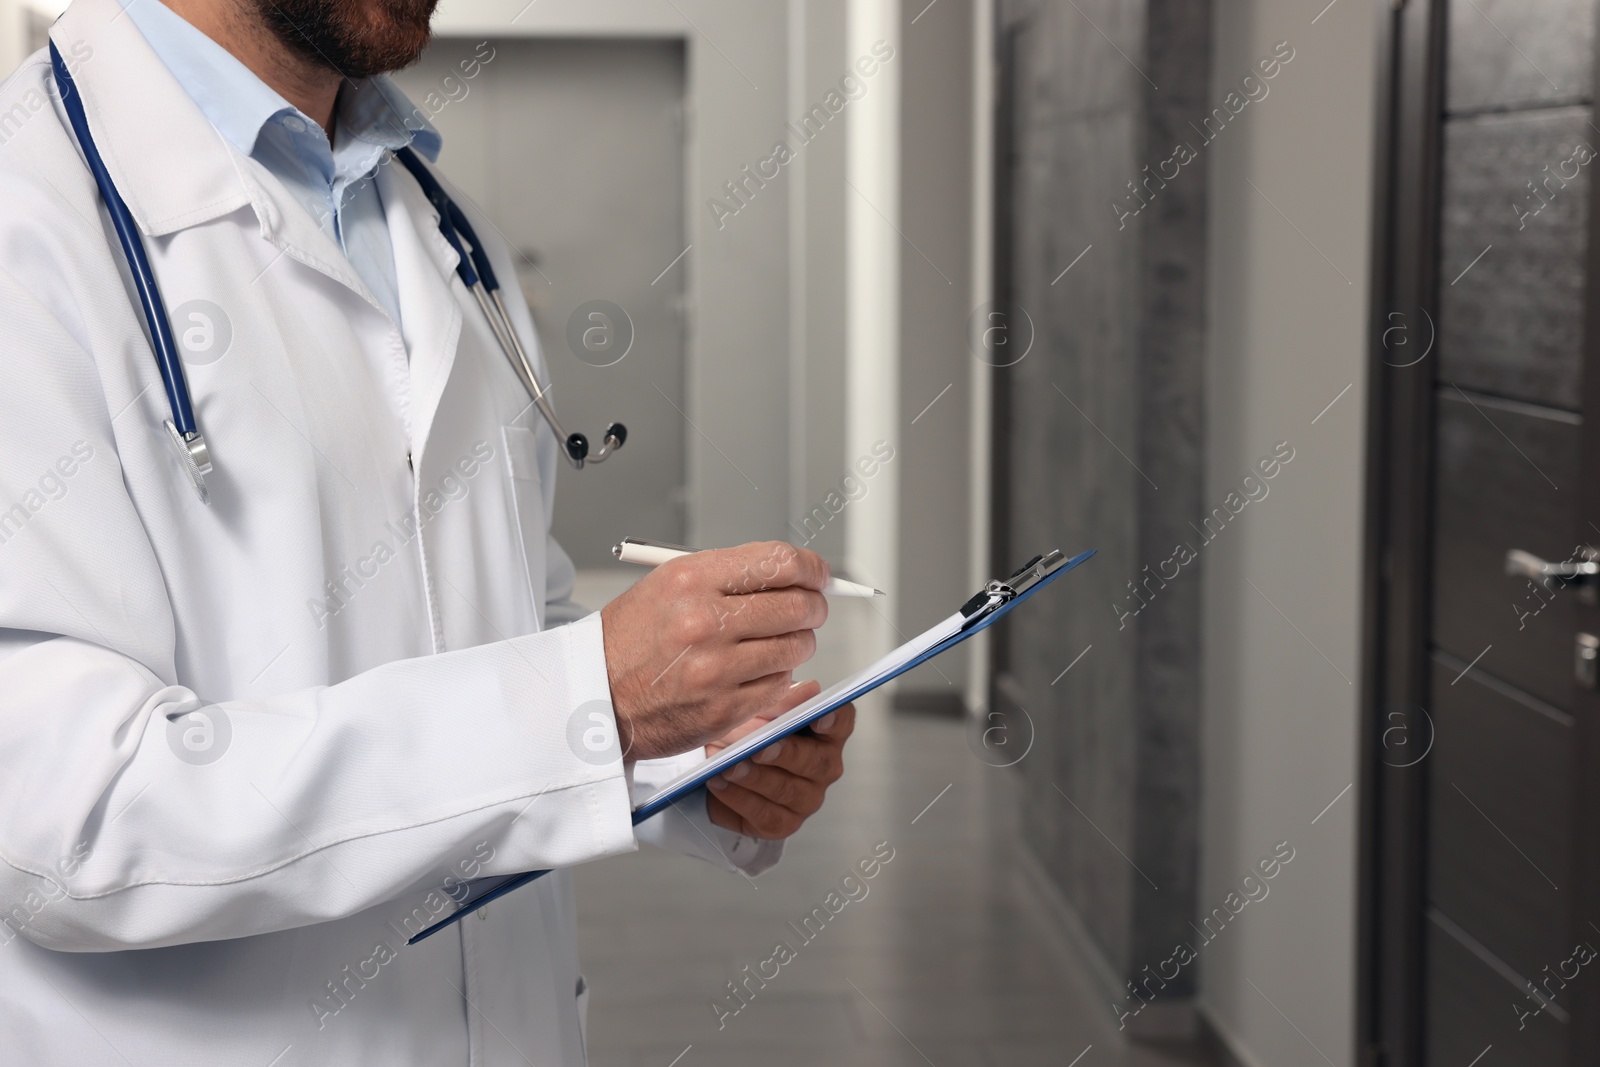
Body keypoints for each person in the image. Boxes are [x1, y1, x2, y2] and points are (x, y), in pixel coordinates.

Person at [0, 0, 855, 1063]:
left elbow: (507, 618)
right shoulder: (27, 222)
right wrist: (588, 699)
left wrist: (679, 753)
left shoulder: (439, 225)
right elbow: (71, 830)